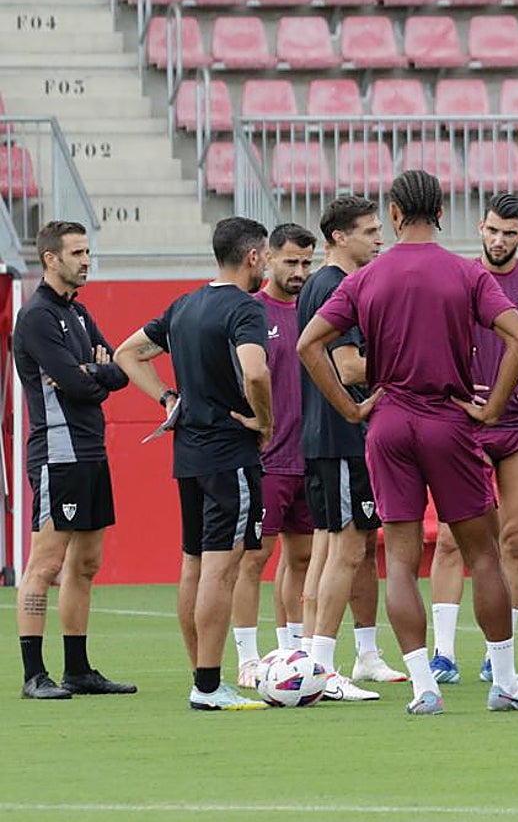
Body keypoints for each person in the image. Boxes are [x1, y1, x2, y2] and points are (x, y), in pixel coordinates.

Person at [298, 170, 518, 715]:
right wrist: (493, 407)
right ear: (442, 211)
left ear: (392, 212)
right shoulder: (465, 273)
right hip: (448, 420)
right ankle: (503, 680)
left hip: (388, 424)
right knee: (483, 555)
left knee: (402, 561)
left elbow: (308, 344)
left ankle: (422, 687)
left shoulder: (366, 277)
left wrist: (352, 406)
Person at [115, 217, 273, 711]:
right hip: (230, 453)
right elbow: (256, 372)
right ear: (252, 257)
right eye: (265, 254)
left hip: (189, 455)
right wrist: (263, 421)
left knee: (194, 565)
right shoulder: (244, 309)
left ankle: (201, 678)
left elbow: (127, 353)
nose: (266, 262)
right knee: (222, 571)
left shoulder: (184, 306)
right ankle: (208, 686)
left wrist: (167, 398)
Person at [427, 193, 518, 685]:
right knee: (451, 539)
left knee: (515, 539)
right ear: (479, 228)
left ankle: (499, 655)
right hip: (466, 425)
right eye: (492, 230)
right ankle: (442, 654)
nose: (499, 240)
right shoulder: (460, 278)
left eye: (509, 233)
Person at [14, 221, 136, 700]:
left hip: (91, 450)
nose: (87, 260)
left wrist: (94, 372)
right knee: (45, 566)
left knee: (86, 563)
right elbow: (82, 383)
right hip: (58, 453)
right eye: (78, 253)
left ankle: (78, 670)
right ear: (51, 258)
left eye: (88, 251)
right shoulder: (37, 317)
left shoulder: (79, 314)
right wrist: (92, 372)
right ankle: (33, 675)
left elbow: (118, 373)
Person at [298, 197, 406, 702]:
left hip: (335, 436)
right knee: (343, 550)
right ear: (340, 237)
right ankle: (319, 666)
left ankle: (363, 654)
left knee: (354, 548)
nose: (379, 238)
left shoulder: (331, 284)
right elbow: (350, 368)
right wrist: (409, 362)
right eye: (368, 231)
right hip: (341, 436)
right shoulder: (335, 285)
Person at [230, 224, 317, 687]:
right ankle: (247, 658)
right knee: (252, 559)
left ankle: (293, 653)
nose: (300, 271)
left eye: (307, 262)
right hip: (267, 459)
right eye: (290, 261)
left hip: (311, 456)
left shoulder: (319, 313)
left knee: (300, 558)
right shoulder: (250, 312)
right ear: (267, 259)